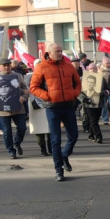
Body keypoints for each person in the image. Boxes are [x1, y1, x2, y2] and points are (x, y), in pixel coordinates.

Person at [29, 43, 82, 181]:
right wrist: (48, 96)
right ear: (49, 53)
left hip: (68, 106)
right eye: (57, 51)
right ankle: (58, 170)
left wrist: (74, 94)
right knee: (55, 139)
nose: (60, 53)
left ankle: (64, 155)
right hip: (52, 107)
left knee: (74, 136)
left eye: (60, 51)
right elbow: (33, 87)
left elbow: (78, 83)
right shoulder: (41, 67)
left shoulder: (68, 66)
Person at [0, 57, 28, 158]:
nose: (6, 67)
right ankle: (11, 150)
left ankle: (17, 142)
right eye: (4, 66)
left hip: (18, 108)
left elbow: (25, 89)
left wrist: (23, 97)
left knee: (22, 128)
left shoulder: (17, 76)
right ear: (0, 67)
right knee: (7, 131)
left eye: (8, 65)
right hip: (3, 110)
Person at [80, 68, 109, 144]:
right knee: (93, 121)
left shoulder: (101, 79)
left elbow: (107, 89)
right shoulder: (82, 79)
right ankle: (99, 136)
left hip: (99, 104)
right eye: (91, 69)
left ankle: (91, 134)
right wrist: (83, 99)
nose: (93, 70)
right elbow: (78, 92)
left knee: (94, 120)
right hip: (88, 104)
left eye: (94, 69)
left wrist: (103, 93)